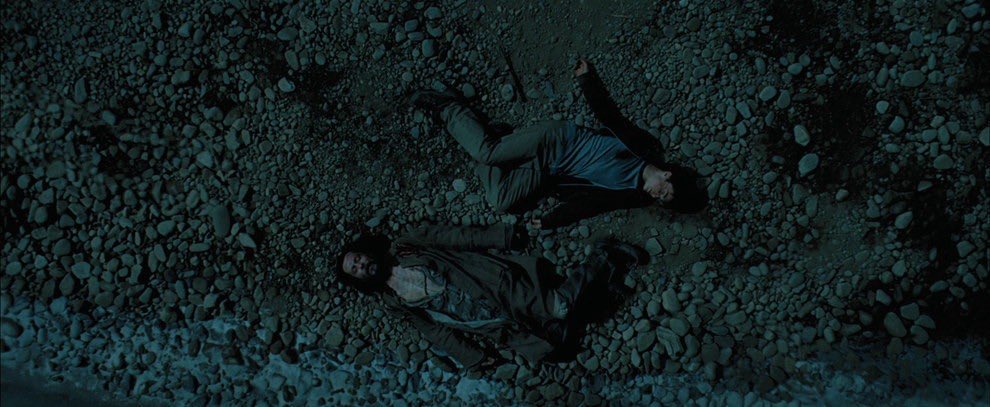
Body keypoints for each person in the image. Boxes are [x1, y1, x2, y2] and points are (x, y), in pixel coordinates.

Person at [410, 59, 707, 229]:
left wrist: (551, 221)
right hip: (557, 139)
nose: (657, 196)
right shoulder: (640, 148)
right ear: (667, 174)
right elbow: (609, 115)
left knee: (501, 201)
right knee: (486, 153)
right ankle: (449, 107)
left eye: (661, 200)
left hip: (548, 169)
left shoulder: (629, 195)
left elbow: (589, 206)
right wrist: (587, 80)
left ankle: (496, 136)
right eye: (664, 191)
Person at [335, 223, 645, 371]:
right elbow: (434, 331)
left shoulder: (406, 246)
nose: (362, 265)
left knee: (560, 309)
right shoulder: (393, 302)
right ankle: (601, 288)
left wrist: (502, 236)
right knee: (552, 348)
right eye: (355, 269)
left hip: (494, 284)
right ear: (358, 280)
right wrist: (473, 357)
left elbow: (455, 236)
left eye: (358, 259)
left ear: (366, 251)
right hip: (488, 321)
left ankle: (603, 257)